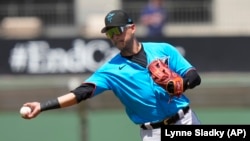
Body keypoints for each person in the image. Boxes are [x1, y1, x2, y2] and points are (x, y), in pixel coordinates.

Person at [21, 9, 201, 141]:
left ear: (132, 28)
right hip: (153, 134)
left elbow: (194, 76)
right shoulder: (110, 71)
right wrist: (42, 106)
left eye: (118, 30)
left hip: (185, 121)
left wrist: (182, 84)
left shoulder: (163, 49)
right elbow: (80, 93)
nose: (114, 36)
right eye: (110, 33)